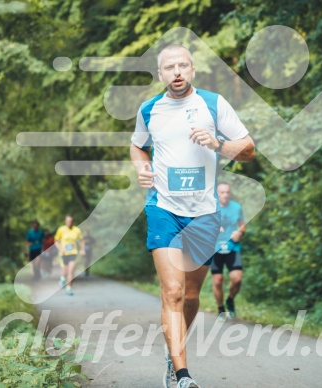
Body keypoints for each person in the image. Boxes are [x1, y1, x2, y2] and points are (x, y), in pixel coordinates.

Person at [130, 44, 255, 388]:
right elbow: (138, 145)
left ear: (193, 69)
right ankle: (182, 374)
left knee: (189, 296)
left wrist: (218, 145)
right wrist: (142, 168)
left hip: (204, 214)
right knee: (171, 290)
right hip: (163, 209)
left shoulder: (213, 104)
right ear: (160, 74)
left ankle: (174, 349)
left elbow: (248, 150)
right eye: (169, 67)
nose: (177, 72)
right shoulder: (149, 109)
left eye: (182, 65)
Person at [211, 183, 245, 320]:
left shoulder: (236, 207)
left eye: (227, 192)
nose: (225, 195)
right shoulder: (210, 208)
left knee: (237, 279)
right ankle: (220, 309)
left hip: (232, 247)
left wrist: (240, 233)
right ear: (217, 194)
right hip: (215, 249)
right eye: (222, 192)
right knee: (218, 281)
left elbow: (242, 225)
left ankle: (230, 300)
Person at [54, 215, 85, 296]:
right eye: (68, 221)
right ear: (65, 221)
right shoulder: (61, 229)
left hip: (73, 253)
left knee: (70, 272)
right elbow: (56, 240)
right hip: (64, 254)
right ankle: (62, 279)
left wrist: (82, 249)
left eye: (71, 221)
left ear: (73, 221)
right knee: (65, 271)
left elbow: (82, 240)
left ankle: (69, 288)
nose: (69, 223)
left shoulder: (77, 230)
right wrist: (60, 249)